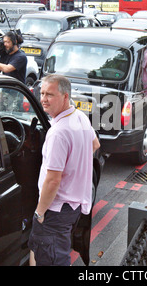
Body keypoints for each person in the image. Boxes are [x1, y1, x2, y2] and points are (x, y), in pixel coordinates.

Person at [29, 74, 100, 266]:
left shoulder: (58, 133)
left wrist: (39, 213)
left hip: (55, 209)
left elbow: (53, 180)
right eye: (42, 93)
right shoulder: (80, 117)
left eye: (50, 94)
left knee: (53, 259)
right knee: (53, 252)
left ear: (65, 96)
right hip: (73, 207)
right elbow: (94, 144)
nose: (43, 99)